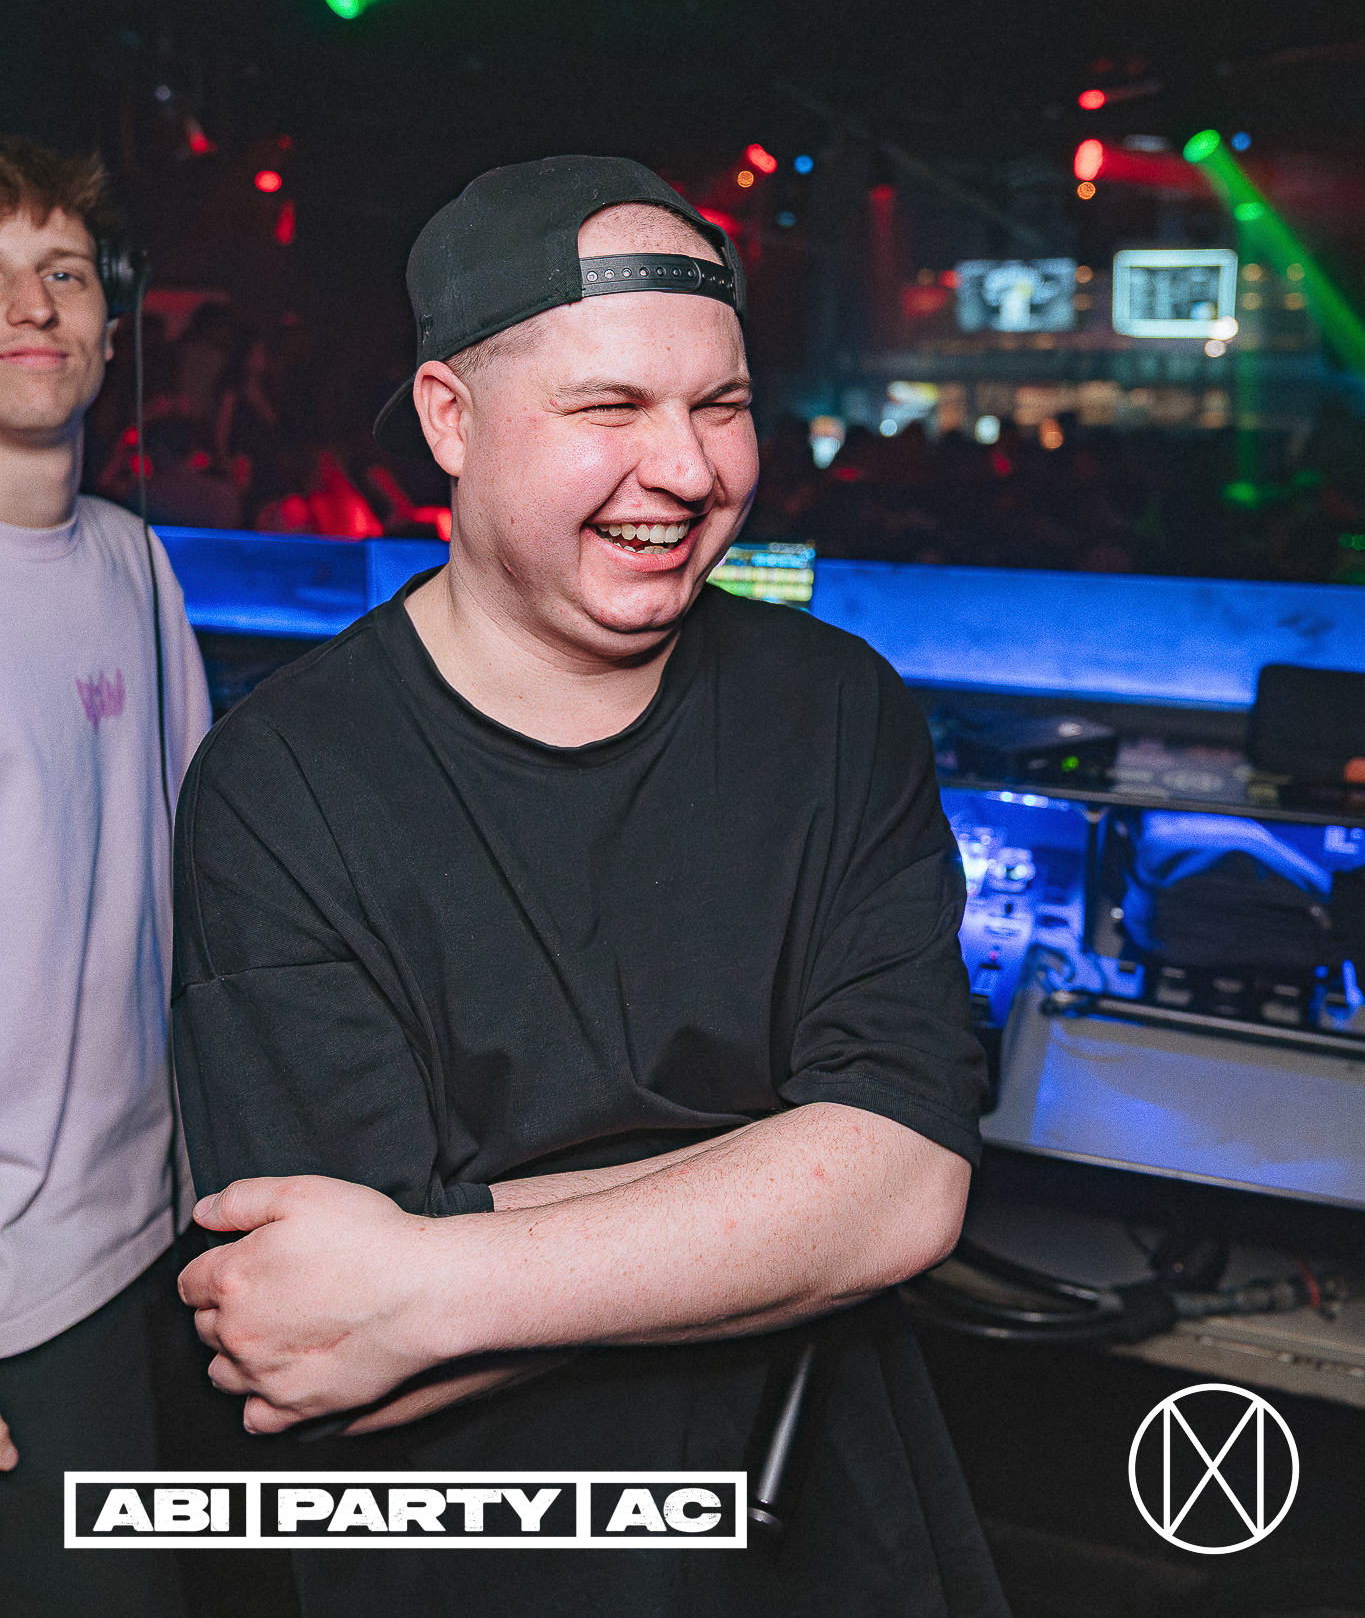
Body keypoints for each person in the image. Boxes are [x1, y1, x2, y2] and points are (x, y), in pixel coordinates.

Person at [173, 155, 1006, 1618]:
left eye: (721, 405)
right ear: (450, 418)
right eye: (609, 408)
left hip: (823, 1528)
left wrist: (435, 1270)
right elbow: (314, 1334)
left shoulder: (834, 709)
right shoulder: (283, 780)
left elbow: (907, 1190)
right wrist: (785, 1178)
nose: (686, 470)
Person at [0, 136, 212, 1616]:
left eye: (62, 272)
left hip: (153, 1237)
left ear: (109, 320)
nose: (32, 307)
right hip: (22, 1286)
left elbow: (199, 874)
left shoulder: (135, 563)